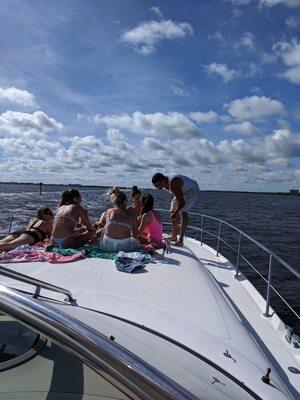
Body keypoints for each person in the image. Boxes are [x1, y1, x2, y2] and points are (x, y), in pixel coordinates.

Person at [152, 172, 200, 245]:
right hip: (180, 190)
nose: (158, 187)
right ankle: (174, 236)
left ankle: (180, 240)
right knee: (172, 211)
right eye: (156, 187)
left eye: (158, 185)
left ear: (163, 179)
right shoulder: (165, 184)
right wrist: (174, 213)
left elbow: (182, 203)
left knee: (184, 212)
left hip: (192, 189)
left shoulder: (174, 183)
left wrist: (176, 213)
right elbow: (178, 195)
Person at [98, 187, 140, 252]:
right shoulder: (132, 214)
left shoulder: (109, 211)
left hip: (106, 246)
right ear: (125, 201)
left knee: (104, 229)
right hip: (123, 247)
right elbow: (135, 234)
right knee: (136, 241)